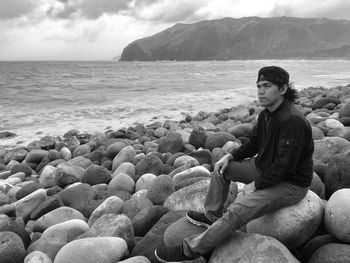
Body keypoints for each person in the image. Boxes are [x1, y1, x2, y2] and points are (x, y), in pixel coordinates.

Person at [154, 66, 314, 262]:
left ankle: (189, 250)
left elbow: (285, 166)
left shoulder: (292, 120)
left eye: (267, 86)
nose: (260, 91)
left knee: (237, 212)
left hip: (290, 183)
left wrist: (258, 184)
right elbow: (254, 143)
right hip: (265, 168)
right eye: (258, 86)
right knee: (222, 169)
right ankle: (212, 215)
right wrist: (230, 156)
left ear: (282, 89)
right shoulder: (266, 114)